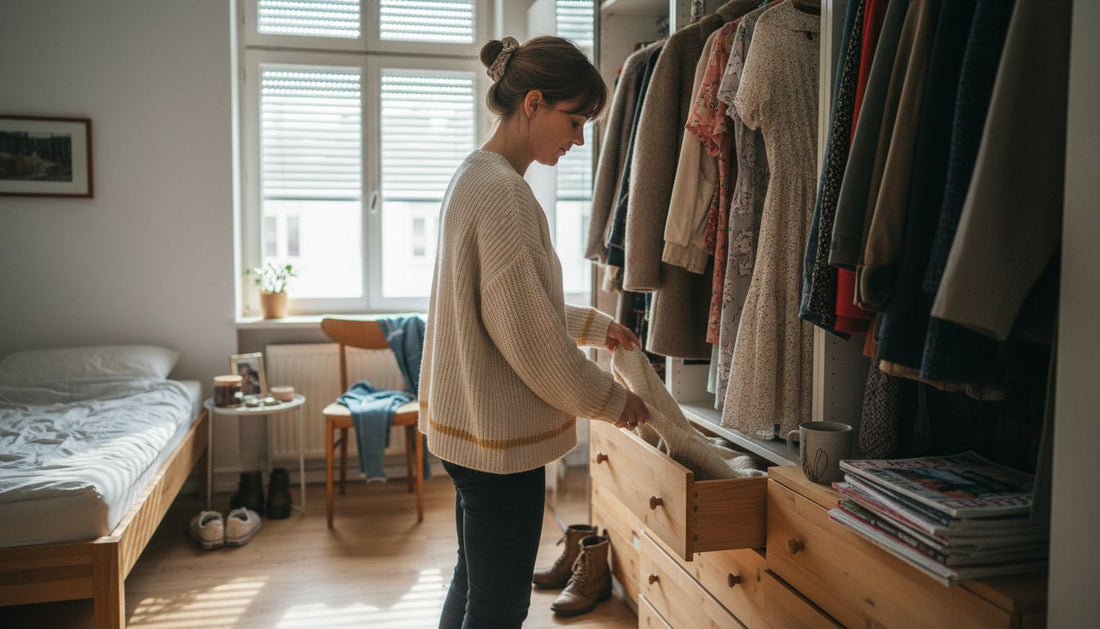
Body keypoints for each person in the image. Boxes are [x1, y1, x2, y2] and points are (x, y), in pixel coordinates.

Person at [418, 35, 651, 629]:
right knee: (498, 604)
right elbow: (531, 342)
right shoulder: (503, 194)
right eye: (574, 122)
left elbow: (510, 308)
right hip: (498, 444)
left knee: (473, 582)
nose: (577, 141)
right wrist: (614, 401)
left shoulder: (473, 176)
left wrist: (596, 328)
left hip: (466, 429)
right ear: (533, 103)